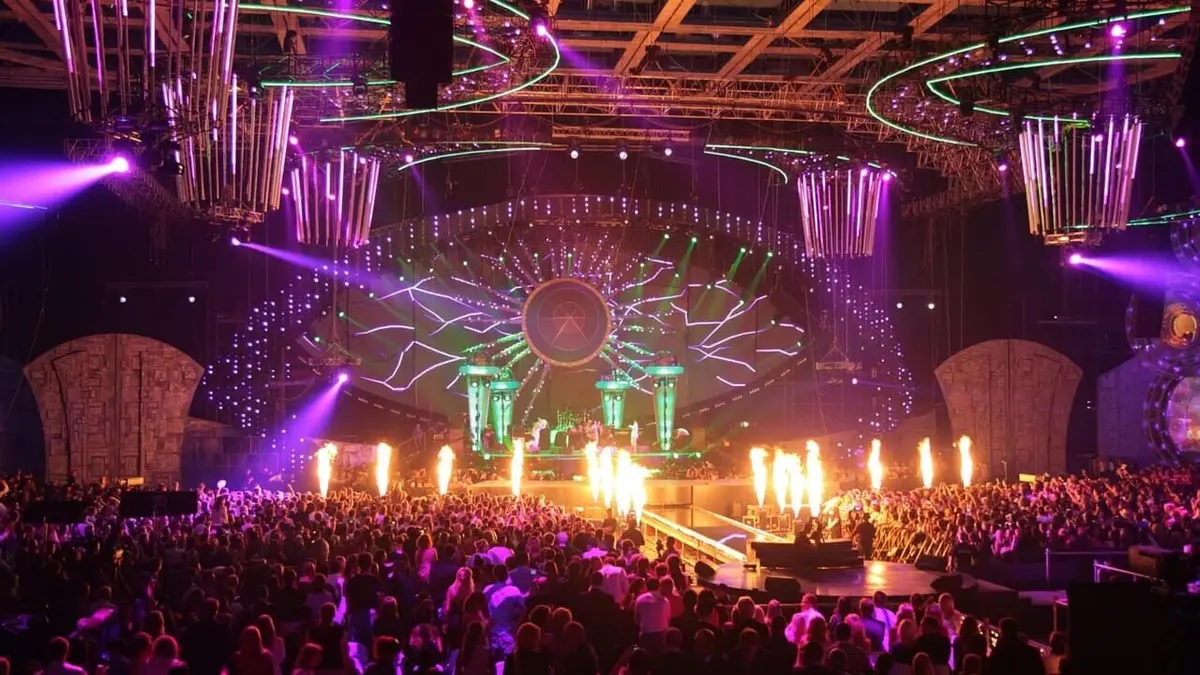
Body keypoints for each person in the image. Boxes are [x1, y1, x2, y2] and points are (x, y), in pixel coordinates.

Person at [306, 603, 350, 675]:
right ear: (334, 615)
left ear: (320, 614)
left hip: (318, 668)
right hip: (336, 667)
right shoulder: (340, 632)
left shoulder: (312, 632)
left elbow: (308, 652)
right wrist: (348, 666)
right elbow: (344, 650)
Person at [633, 578, 671, 653]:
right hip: (661, 636)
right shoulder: (665, 600)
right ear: (659, 586)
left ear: (646, 586)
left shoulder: (640, 599)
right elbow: (668, 619)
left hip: (646, 635)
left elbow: (636, 621)